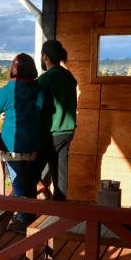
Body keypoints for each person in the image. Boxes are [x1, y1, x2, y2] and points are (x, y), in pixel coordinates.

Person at [0, 53, 42, 228]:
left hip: (11, 145)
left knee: (18, 184)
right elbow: (43, 108)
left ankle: (24, 222)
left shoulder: (8, 90)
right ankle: (31, 220)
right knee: (30, 183)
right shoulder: (38, 90)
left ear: (13, 69)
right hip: (32, 144)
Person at [37, 39, 77, 201]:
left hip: (52, 132)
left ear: (45, 57)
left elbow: (35, 104)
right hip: (68, 131)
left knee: (32, 171)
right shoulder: (68, 76)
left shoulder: (46, 79)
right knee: (60, 170)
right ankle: (60, 207)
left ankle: (25, 211)